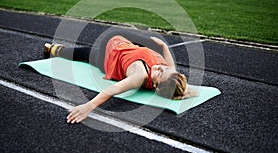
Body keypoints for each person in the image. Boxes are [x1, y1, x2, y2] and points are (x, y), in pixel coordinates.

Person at [44, 29, 197, 124]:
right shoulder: (168, 72)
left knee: (88, 55)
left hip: (110, 50)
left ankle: (56, 50)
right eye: (164, 68)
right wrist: (164, 47)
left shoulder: (140, 75)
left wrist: (88, 106)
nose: (160, 67)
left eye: (159, 73)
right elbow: (171, 68)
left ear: (156, 86)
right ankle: (58, 50)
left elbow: (112, 89)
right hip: (127, 43)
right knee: (88, 53)